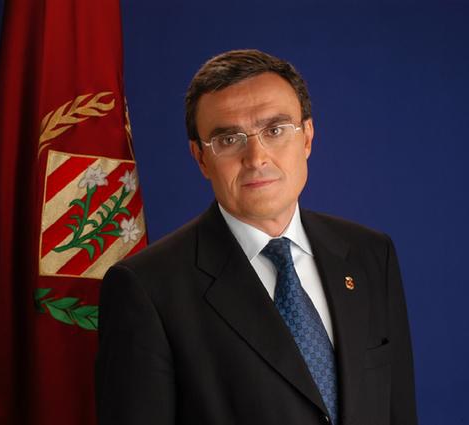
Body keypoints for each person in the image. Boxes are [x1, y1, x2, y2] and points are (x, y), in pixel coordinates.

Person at [95, 49, 417, 425]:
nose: (256, 157)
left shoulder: (370, 255)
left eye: (275, 131)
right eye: (229, 139)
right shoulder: (147, 289)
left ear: (307, 137)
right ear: (201, 158)